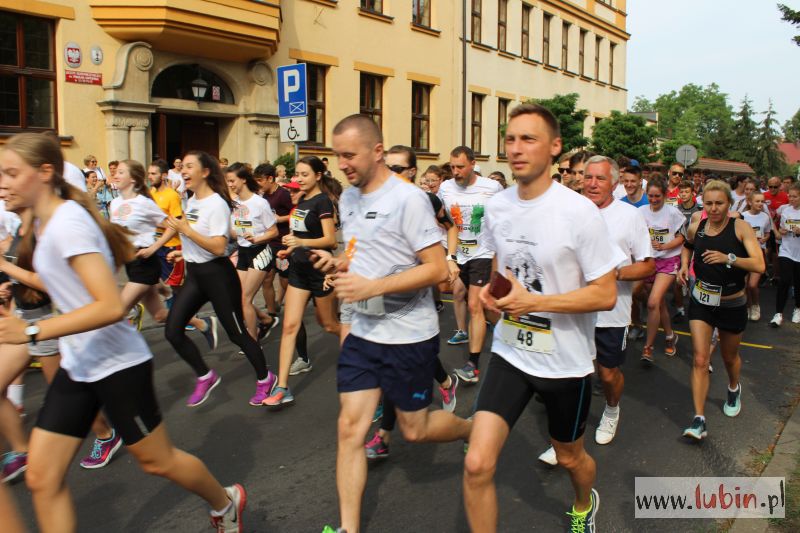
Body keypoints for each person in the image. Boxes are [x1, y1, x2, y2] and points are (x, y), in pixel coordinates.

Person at [0, 133, 246, 532]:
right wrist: (10, 273)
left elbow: (110, 306)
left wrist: (30, 331)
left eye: (12, 173)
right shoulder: (46, 223)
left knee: (156, 460)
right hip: (80, 364)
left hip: (118, 364)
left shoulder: (68, 223)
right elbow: (58, 282)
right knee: (41, 477)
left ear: (45, 173)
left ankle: (226, 500)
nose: (3, 182)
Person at [466, 104, 620, 533]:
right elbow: (504, 271)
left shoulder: (578, 212)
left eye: (528, 139)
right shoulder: (497, 206)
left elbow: (606, 294)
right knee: (477, 463)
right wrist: (491, 294)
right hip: (511, 351)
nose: (516, 149)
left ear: (554, 148)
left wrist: (533, 302)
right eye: (510, 139)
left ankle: (582, 503)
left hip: (565, 363)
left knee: (570, 457)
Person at [314, 114, 471, 533]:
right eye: (337, 156)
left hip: (408, 336)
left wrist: (371, 287)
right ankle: (349, 529)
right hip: (364, 333)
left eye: (349, 155)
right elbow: (360, 249)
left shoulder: (409, 200)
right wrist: (340, 262)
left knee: (415, 430)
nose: (342, 164)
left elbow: (437, 270)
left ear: (377, 151)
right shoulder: (348, 198)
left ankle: (471, 428)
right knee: (349, 428)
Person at [163, 151, 276, 407]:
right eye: (183, 166)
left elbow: (217, 247)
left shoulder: (216, 203)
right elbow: (198, 239)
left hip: (217, 276)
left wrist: (185, 231)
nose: (183, 170)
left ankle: (265, 378)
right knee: (172, 330)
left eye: (190, 166)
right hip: (195, 274)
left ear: (205, 172)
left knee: (238, 334)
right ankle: (205, 375)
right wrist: (182, 252)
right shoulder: (191, 201)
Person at [678, 180, 764, 440]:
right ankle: (699, 419)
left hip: (732, 302)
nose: (714, 208)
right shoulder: (698, 226)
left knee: (729, 358)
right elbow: (687, 244)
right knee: (700, 359)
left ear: (729, 204)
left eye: (719, 203)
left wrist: (730, 258)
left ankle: (733, 386)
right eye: (709, 203)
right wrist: (684, 265)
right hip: (702, 300)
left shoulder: (741, 228)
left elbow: (759, 264)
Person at [583, 156, 654, 445]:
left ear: (614, 183)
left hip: (611, 312)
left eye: (600, 178)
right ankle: (566, 435)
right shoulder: (571, 212)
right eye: (588, 177)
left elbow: (648, 265)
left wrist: (615, 272)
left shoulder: (629, 215)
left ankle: (611, 410)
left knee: (608, 373)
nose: (592, 183)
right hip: (574, 309)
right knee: (573, 375)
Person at [263, 156, 340, 408]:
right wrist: (290, 248)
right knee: (289, 326)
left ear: (318, 176)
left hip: (319, 270)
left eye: (305, 174)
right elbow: (300, 233)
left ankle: (361, 344)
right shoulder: (302, 200)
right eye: (297, 174)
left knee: (328, 324)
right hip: (298, 269)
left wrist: (302, 243)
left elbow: (331, 240)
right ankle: (282, 387)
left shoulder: (322, 201)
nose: (298, 178)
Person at [438, 146, 503, 384]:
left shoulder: (492, 188)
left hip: (482, 252)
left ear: (473, 164)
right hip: (458, 254)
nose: (455, 172)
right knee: (465, 298)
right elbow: (442, 221)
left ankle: (472, 365)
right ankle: (500, 328)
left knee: (475, 305)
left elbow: (502, 219)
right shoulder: (445, 188)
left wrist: (499, 257)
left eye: (460, 167)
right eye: (452, 167)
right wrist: (446, 253)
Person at [225, 163, 279, 341]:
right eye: (228, 181)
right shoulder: (235, 204)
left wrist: (257, 238)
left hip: (260, 252)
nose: (230, 184)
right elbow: (235, 232)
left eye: (232, 180)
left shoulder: (260, 203)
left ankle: (252, 340)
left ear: (243, 179)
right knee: (236, 296)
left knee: (245, 299)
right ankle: (265, 319)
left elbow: (273, 232)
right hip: (243, 252)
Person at [639, 179, 685, 363]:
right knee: (659, 305)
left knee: (652, 303)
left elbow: (682, 237)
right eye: (650, 195)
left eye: (658, 196)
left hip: (668, 260)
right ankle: (669, 336)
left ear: (665, 195)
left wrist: (664, 245)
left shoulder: (673, 213)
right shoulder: (640, 212)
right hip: (649, 261)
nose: (654, 199)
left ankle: (647, 348)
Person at [256, 163, 293, 320]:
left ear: (270, 178)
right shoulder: (263, 196)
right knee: (267, 278)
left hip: (283, 244)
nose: (258, 184)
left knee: (285, 282)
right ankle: (271, 314)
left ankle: (289, 306)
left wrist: (280, 219)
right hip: (269, 243)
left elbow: (297, 213)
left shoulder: (283, 194)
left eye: (260, 180)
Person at [769, 183, 800, 326]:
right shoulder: (786, 210)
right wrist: (782, 231)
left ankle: (797, 309)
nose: (791, 199)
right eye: (790, 196)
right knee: (784, 281)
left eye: (795, 196)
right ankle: (778, 313)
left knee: (798, 283)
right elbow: (781, 230)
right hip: (786, 250)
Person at [742, 192, 772, 321]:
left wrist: (765, 239)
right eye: (757, 201)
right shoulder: (742, 216)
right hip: (743, 253)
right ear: (750, 202)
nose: (760, 204)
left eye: (762, 201)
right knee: (744, 285)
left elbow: (767, 233)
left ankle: (756, 305)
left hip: (758, 253)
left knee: (752, 285)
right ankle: (748, 306)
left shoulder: (765, 217)